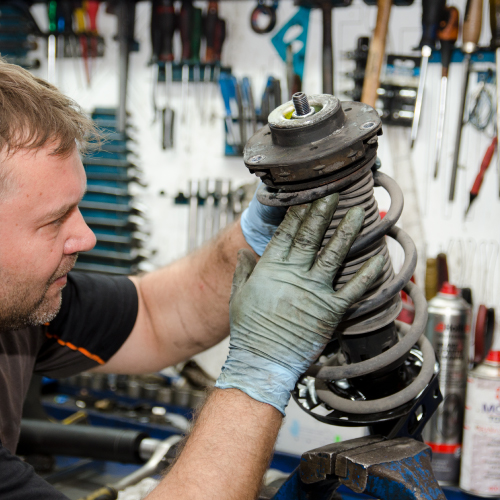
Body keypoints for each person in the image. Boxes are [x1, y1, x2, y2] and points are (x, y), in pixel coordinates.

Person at [0, 60, 384, 499]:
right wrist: (259, 371)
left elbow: (154, 315)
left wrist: (256, 233)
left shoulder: (20, 305)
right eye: (54, 220)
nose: (86, 236)